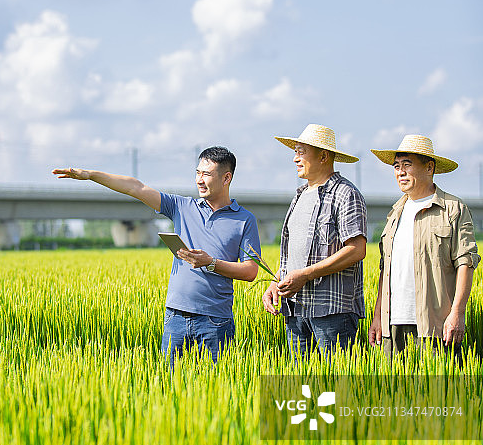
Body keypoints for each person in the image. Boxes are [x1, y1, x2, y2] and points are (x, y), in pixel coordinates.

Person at [53, 146, 260, 366]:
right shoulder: (181, 207)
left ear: (226, 178)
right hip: (175, 318)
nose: (199, 180)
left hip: (215, 322)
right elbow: (136, 188)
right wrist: (90, 175)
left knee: (216, 389)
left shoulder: (245, 220)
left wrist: (211, 263)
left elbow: (250, 271)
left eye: (206, 174)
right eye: (197, 172)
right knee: (167, 386)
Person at [368, 134, 480, 357]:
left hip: (435, 326)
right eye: (396, 166)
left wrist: (458, 312)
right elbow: (385, 270)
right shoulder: (394, 215)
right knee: (395, 391)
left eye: (407, 165)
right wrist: (378, 316)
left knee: (439, 390)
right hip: (393, 325)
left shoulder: (452, 209)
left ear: (429, 167)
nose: (400, 172)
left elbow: (466, 263)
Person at [262, 124, 367, 356]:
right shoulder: (298, 197)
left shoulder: (345, 194)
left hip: (331, 311)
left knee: (335, 384)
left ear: (323, 156)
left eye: (301, 152)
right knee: (304, 386)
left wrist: (306, 275)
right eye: (295, 152)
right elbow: (292, 257)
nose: (295, 158)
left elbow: (357, 249)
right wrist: (275, 283)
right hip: (296, 309)